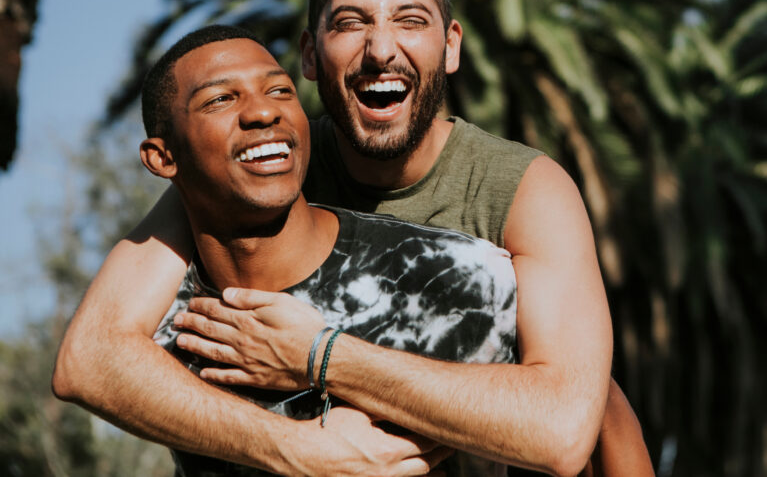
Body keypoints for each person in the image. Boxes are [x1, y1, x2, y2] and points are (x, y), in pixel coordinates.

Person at [53, 0, 654, 476]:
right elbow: (92, 356)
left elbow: (568, 422)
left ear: (450, 46)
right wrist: (299, 449)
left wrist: (320, 356)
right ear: (311, 55)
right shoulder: (269, 163)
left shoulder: (522, 189)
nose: (381, 50)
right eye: (350, 22)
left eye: (410, 20)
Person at [139, 25, 518, 475]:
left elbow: (589, 417)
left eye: (280, 90)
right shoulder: (160, 331)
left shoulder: (444, 275)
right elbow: (82, 367)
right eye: (220, 99)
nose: (262, 111)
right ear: (163, 159)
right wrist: (298, 450)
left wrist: (325, 356)